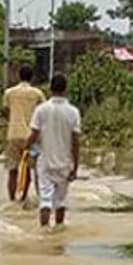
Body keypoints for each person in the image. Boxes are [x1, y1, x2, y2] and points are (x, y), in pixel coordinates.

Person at [24, 74, 81, 228]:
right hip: (64, 163)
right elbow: (76, 142)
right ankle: (59, 229)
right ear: (66, 89)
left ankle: (44, 232)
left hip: (45, 162)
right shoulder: (73, 112)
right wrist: (75, 167)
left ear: (50, 88)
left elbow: (34, 135)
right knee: (61, 201)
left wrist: (26, 147)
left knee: (45, 200)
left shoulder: (41, 110)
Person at [2, 64, 45, 204]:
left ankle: (12, 200)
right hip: (31, 136)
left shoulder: (9, 93)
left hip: (13, 134)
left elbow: (6, 112)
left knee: (12, 170)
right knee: (26, 169)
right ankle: (23, 198)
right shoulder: (37, 94)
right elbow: (43, 114)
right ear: (32, 77)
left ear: (18, 76)